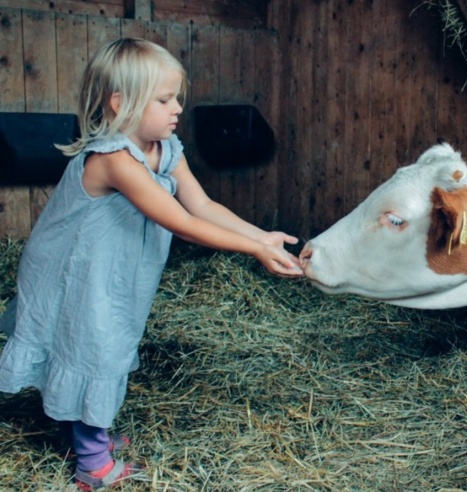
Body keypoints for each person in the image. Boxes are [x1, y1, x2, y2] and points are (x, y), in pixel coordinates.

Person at [0, 37, 303, 490]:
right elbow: (182, 223)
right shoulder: (114, 159)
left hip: (110, 272)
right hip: (71, 271)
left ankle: (77, 432)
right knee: (93, 348)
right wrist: (254, 252)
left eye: (176, 96)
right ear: (121, 103)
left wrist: (262, 235)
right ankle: (93, 465)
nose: (178, 107)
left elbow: (201, 204)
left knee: (97, 341)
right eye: (164, 99)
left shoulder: (168, 147)